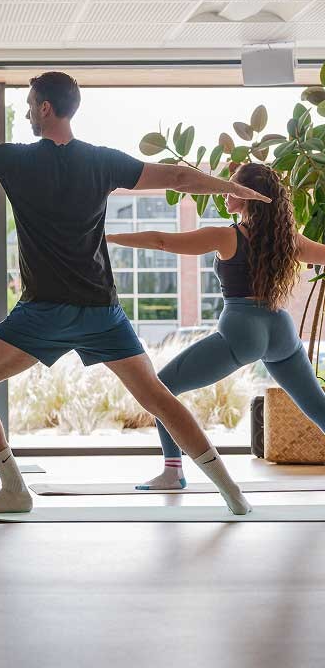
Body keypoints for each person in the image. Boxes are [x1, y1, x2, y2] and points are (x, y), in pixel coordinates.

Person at [0, 71, 270, 515]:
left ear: (46, 108)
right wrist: (231, 188)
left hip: (45, 313)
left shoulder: (16, 159)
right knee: (157, 398)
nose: (26, 114)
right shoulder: (103, 160)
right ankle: (232, 492)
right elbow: (177, 177)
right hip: (101, 311)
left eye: (30, 105)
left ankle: (14, 488)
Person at [107, 162, 325, 490]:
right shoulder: (286, 239)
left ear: (249, 196)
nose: (226, 193)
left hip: (242, 331)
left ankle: (173, 471)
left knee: (161, 389)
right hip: (281, 331)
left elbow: (161, 241)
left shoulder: (226, 236)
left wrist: (105, 236)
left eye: (232, 188)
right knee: (318, 407)